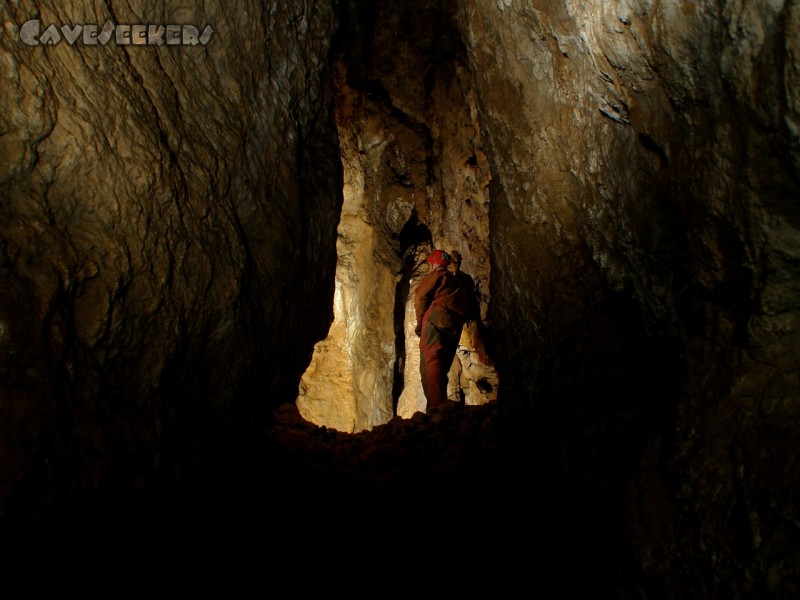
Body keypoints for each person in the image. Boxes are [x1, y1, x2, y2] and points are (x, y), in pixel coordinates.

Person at [414, 249, 471, 410]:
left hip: (435, 321)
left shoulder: (437, 275)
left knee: (430, 363)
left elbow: (420, 296)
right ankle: (441, 404)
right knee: (442, 366)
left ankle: (435, 407)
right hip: (454, 327)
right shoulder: (457, 282)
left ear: (432, 264)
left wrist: (420, 323)